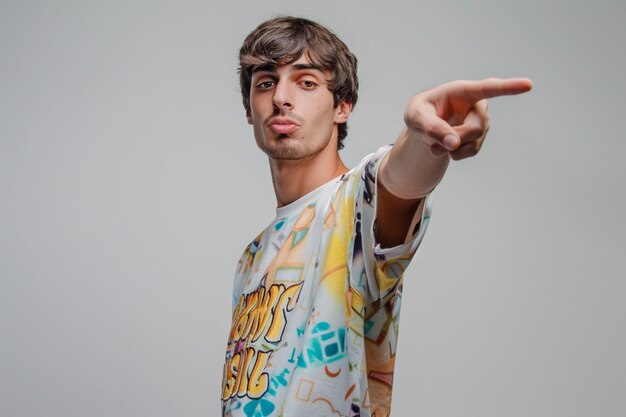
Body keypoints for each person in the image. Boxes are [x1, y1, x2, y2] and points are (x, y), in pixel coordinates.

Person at [221, 16, 531, 417]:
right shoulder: (251, 258)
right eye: (266, 82)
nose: (282, 96)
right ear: (249, 108)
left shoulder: (352, 206)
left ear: (342, 106)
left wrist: (425, 139)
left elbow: (398, 178)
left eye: (306, 82)